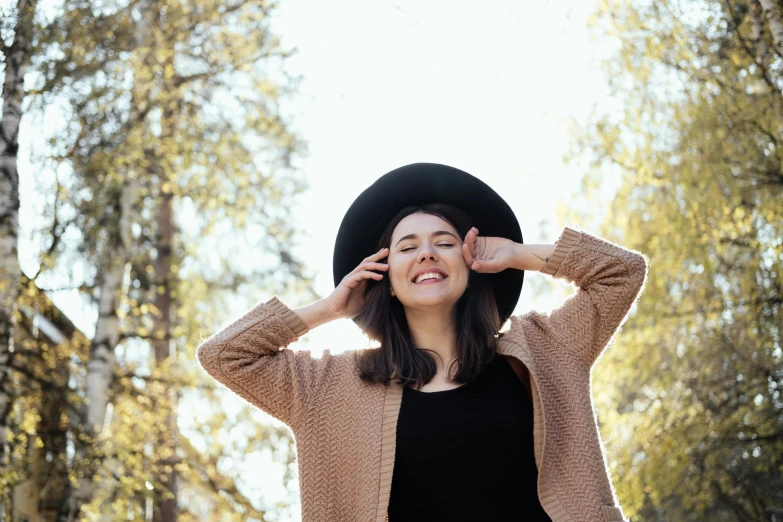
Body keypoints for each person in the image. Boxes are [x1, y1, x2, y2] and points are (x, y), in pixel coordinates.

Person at [196, 163, 649, 522]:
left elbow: (621, 272)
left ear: (471, 262)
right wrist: (330, 308)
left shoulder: (546, 346)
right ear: (386, 278)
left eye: (445, 242)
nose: (427, 253)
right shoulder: (330, 388)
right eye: (407, 247)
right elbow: (225, 355)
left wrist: (517, 254)